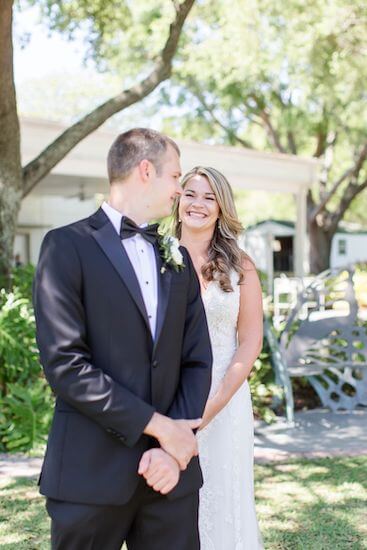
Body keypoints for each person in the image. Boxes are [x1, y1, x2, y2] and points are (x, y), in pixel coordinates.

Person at [33, 129, 212, 550]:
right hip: (90, 476)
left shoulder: (178, 257)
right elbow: (65, 366)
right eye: (175, 177)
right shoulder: (66, 246)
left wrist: (172, 450)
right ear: (145, 170)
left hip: (171, 480)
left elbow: (197, 359)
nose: (179, 190)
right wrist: (160, 429)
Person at [174, 166, 264, 549]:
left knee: (226, 495)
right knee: (172, 505)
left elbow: (249, 342)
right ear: (176, 200)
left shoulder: (240, 264)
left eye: (209, 197)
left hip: (226, 399)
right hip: (170, 398)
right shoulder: (155, 255)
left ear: (221, 207)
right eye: (190, 193)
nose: (198, 204)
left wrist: (213, 405)